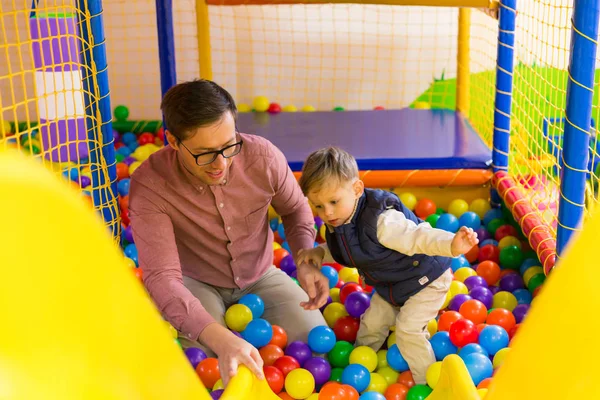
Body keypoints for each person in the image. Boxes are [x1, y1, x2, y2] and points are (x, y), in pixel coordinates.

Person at [128, 79, 329, 386]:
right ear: (172, 140)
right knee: (206, 368)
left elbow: (296, 209)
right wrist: (220, 339)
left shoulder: (263, 157)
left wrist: (305, 259)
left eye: (229, 145)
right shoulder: (151, 183)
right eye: (205, 153)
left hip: (261, 274)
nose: (220, 163)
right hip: (195, 282)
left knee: (318, 349)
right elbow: (162, 278)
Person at [296, 146, 478, 385]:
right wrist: (320, 252)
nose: (327, 212)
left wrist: (451, 244)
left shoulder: (383, 222)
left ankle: (430, 383)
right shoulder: (339, 219)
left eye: (333, 201)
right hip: (392, 284)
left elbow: (418, 236)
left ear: (357, 189)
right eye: (318, 206)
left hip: (426, 279)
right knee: (371, 323)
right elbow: (345, 247)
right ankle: (360, 371)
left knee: (407, 330)